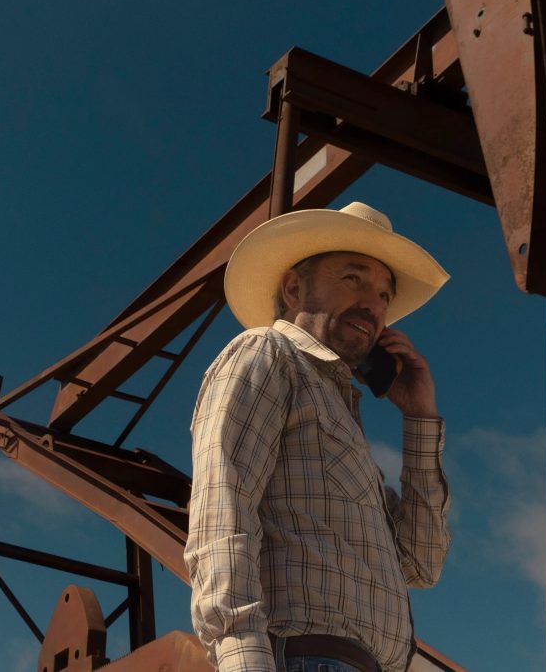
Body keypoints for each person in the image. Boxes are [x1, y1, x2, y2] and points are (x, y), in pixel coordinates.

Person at [184, 202, 452, 672]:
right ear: (293, 289)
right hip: (306, 659)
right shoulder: (266, 352)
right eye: (354, 279)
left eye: (384, 294)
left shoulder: (344, 419)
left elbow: (421, 562)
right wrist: (243, 657)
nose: (374, 304)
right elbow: (222, 509)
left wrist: (420, 417)